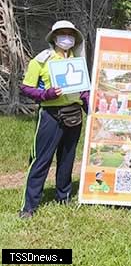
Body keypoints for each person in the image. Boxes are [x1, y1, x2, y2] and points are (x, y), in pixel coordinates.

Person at [19, 20, 89, 219]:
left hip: (74, 115)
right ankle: (29, 206)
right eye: (62, 34)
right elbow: (26, 87)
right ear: (54, 37)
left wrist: (90, 109)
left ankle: (63, 197)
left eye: (70, 34)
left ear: (75, 39)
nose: (66, 38)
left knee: (67, 159)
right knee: (41, 160)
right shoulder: (41, 60)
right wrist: (46, 94)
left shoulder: (78, 61)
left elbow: (84, 92)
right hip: (50, 116)